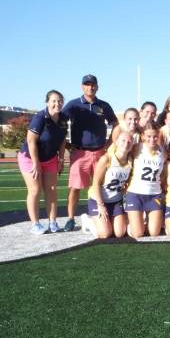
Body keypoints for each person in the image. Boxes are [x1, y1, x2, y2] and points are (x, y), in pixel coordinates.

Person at [62, 74, 118, 232]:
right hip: (80, 152)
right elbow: (59, 123)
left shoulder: (103, 105)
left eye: (92, 84)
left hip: (100, 152)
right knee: (75, 188)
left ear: (97, 87)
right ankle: (71, 219)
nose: (90, 87)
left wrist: (108, 144)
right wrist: (66, 144)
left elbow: (116, 124)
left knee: (102, 186)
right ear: (82, 87)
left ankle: (105, 215)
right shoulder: (73, 105)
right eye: (87, 84)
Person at [18, 90, 68, 234]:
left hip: (50, 157)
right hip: (30, 158)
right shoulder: (40, 118)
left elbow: (62, 140)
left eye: (59, 101)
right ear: (47, 102)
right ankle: (35, 224)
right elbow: (31, 141)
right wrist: (36, 163)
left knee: (51, 190)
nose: (57, 103)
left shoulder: (63, 118)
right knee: (35, 190)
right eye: (53, 101)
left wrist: (61, 159)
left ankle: (53, 222)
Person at [81, 131, 133, 238]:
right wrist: (100, 205)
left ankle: (109, 219)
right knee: (105, 234)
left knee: (119, 233)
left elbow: (127, 183)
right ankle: (87, 220)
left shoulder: (130, 161)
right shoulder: (106, 159)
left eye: (129, 141)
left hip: (115, 201)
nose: (126, 143)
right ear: (117, 142)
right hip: (99, 200)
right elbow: (95, 183)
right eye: (123, 140)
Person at [124, 122, 166, 238]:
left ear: (158, 135)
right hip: (136, 193)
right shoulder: (137, 147)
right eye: (148, 136)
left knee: (154, 233)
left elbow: (163, 173)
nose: (152, 139)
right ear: (142, 136)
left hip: (154, 195)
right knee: (138, 234)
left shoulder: (162, 151)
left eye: (155, 136)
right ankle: (130, 223)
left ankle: (142, 221)